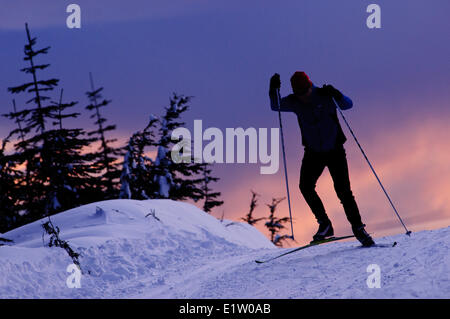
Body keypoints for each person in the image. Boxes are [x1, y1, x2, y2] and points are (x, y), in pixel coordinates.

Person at [269, 71, 375, 247]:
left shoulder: (325, 95)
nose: (303, 97)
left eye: (304, 92)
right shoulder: (295, 102)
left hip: (335, 150)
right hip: (313, 152)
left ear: (310, 86)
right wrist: (273, 89)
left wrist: (337, 93)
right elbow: (275, 105)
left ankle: (358, 228)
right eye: (299, 94)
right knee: (305, 186)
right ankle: (325, 224)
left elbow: (348, 104)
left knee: (343, 191)